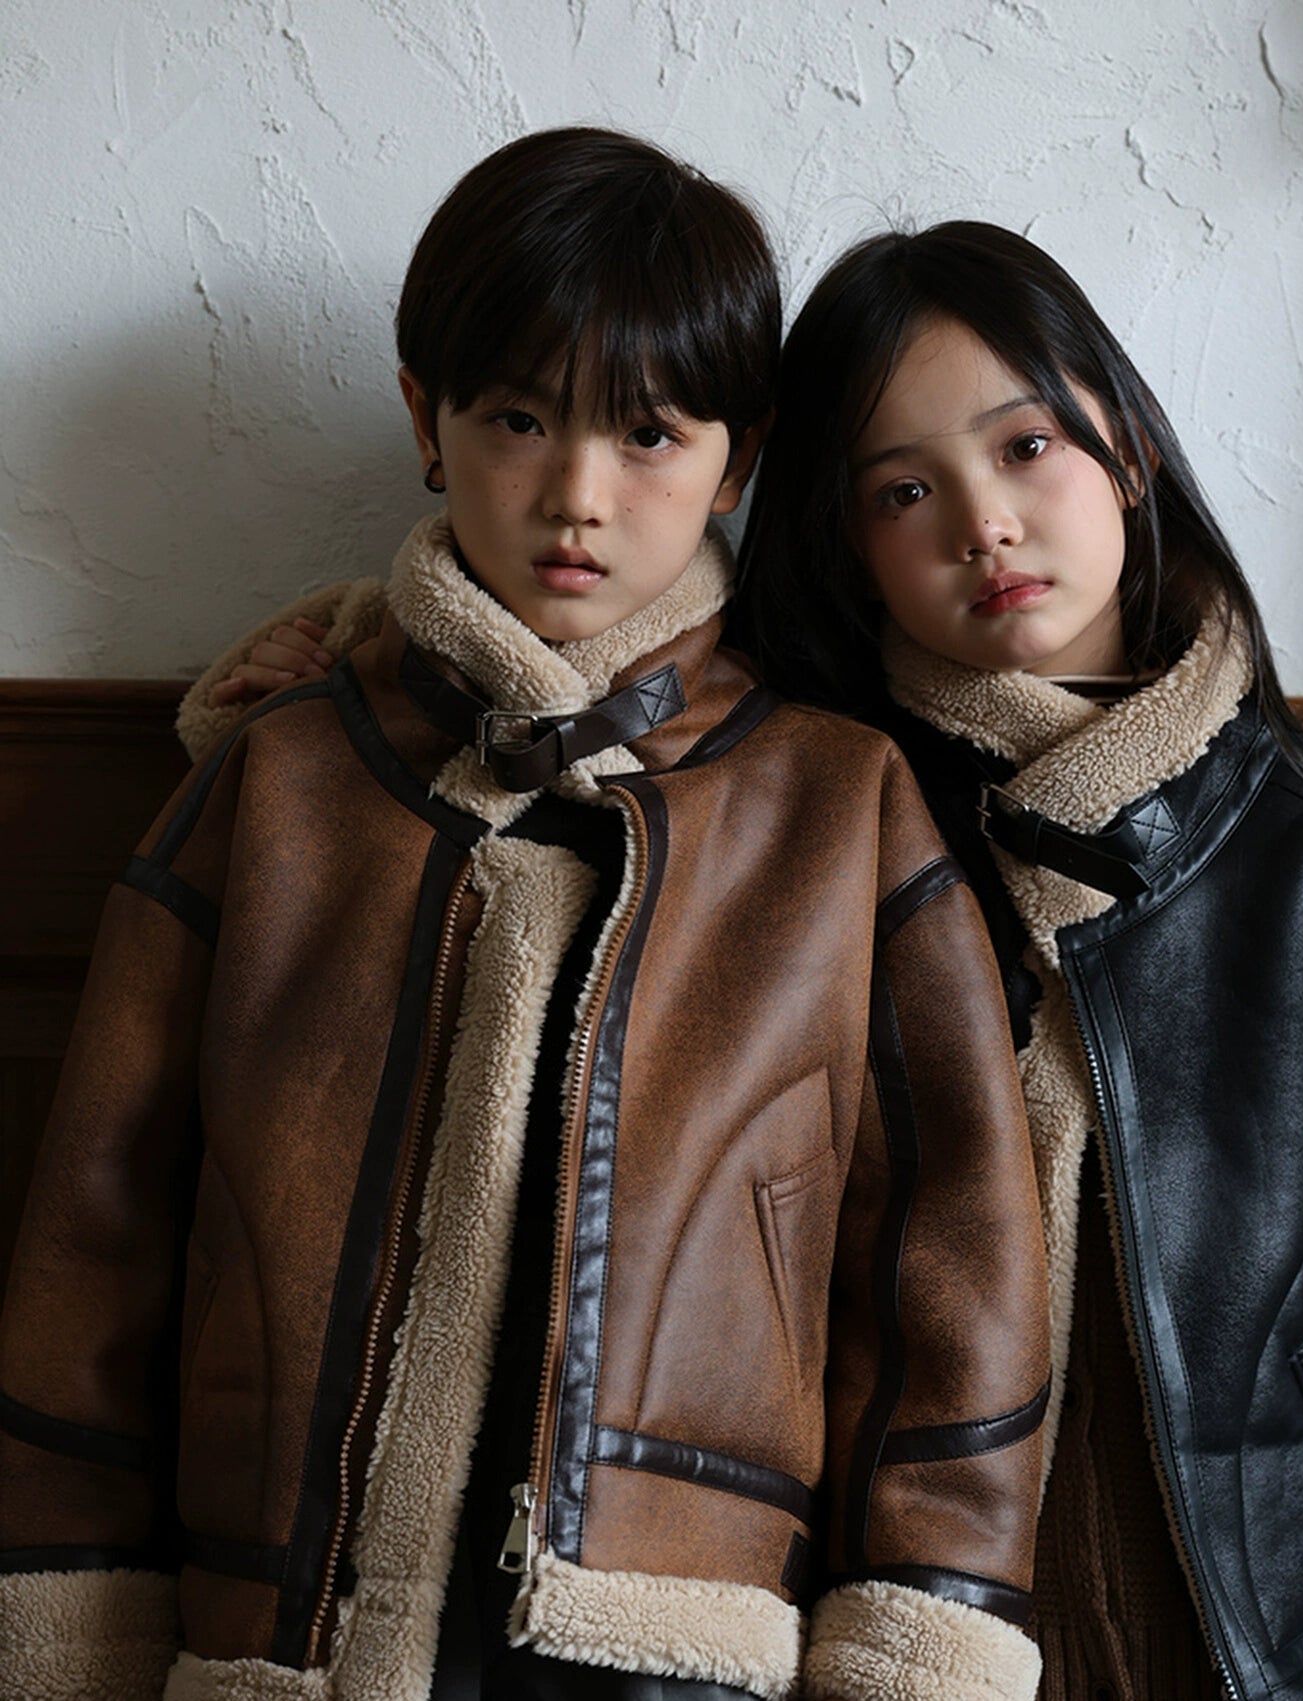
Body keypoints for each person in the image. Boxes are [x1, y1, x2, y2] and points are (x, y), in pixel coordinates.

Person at [0, 139, 1053, 1701]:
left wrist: (917, 1638)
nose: (576, 494)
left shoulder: (837, 805)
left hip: (679, 1655)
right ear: (427, 419)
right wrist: (73, 1621)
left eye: (648, 432)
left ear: (738, 457)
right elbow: (99, 1233)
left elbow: (956, 1273)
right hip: (287, 1639)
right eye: (516, 417)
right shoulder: (280, 781)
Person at [729, 220, 1303, 1701]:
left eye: (1027, 444)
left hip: (1266, 1635)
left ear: (1124, 447)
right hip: (931, 1629)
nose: (982, 522)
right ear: (846, 547)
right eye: (903, 490)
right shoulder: (833, 817)